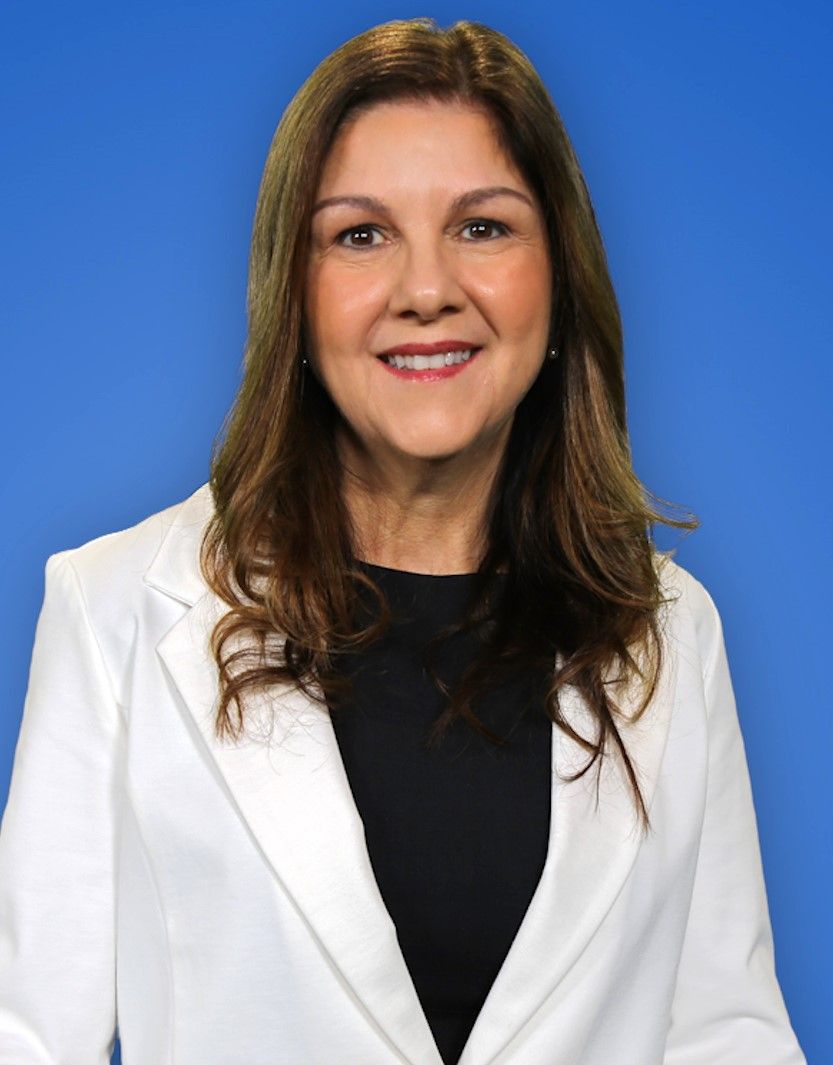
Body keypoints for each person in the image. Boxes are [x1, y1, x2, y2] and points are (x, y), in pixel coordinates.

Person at [0, 17, 806, 1065]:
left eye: (482, 226)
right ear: (293, 294)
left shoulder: (669, 633)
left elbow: (725, 1036)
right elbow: (26, 1035)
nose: (426, 290)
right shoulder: (111, 608)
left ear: (557, 276)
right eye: (360, 235)